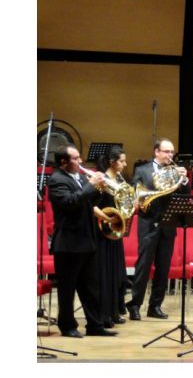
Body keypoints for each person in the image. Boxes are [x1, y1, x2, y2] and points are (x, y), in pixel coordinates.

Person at [47, 144, 117, 337]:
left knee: (90, 287)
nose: (80, 161)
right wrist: (91, 185)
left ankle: (95, 325)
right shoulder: (56, 180)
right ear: (63, 162)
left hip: (86, 240)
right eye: (76, 158)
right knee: (67, 289)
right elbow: (70, 202)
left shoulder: (78, 178)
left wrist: (100, 189)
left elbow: (88, 203)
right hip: (68, 243)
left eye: (79, 157)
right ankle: (67, 326)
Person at [125, 138, 189, 320]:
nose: (170, 155)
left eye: (172, 152)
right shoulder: (142, 170)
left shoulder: (175, 172)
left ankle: (155, 306)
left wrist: (184, 180)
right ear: (157, 152)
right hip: (148, 222)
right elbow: (135, 193)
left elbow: (185, 195)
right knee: (144, 266)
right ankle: (135, 305)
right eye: (167, 151)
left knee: (163, 267)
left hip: (168, 224)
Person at [92, 145, 132, 328]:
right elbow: (93, 205)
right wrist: (107, 218)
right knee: (105, 273)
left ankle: (114, 312)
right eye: (122, 161)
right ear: (112, 162)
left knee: (116, 273)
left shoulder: (120, 179)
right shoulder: (103, 180)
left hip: (116, 230)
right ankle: (104, 314)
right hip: (103, 232)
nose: (125, 164)